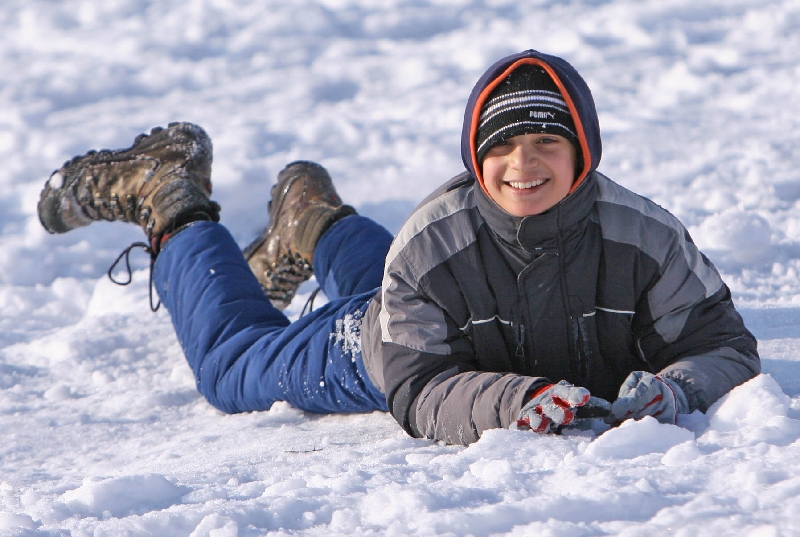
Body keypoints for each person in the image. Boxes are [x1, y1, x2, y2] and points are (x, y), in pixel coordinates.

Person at [37, 49, 760, 446]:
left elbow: (722, 344)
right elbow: (420, 388)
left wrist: (679, 386)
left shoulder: (645, 236)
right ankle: (170, 198)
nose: (524, 164)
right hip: (386, 348)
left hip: (437, 316)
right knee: (233, 368)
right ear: (477, 159)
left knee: (393, 284)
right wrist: (513, 400)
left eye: (548, 140)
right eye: (502, 146)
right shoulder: (433, 243)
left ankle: (311, 221)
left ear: (584, 151)